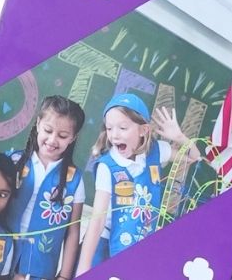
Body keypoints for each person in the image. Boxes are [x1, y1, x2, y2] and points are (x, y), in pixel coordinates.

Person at [76, 93, 203, 272]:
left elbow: (193, 157)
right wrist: (83, 268)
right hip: (104, 244)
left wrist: (180, 137)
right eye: (109, 128)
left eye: (122, 127)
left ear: (143, 130)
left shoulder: (156, 151)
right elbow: (97, 222)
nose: (114, 135)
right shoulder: (107, 166)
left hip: (138, 242)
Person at [1, 96, 86, 280]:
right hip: (0, 257)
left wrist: (64, 276)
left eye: (63, 136)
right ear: (38, 124)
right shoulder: (13, 162)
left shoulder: (75, 180)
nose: (53, 140)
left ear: (73, 138)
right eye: (48, 130)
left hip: (41, 267)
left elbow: (73, 231)